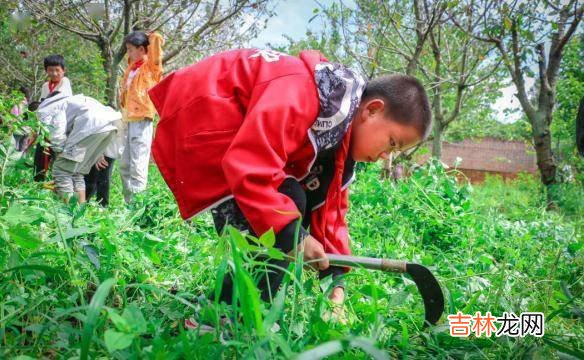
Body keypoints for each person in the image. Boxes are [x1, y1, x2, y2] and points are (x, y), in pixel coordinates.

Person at [149, 49, 431, 319]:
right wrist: (295, 238)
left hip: (233, 135)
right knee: (285, 203)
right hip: (204, 113)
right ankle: (226, 316)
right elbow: (251, 165)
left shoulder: (338, 137)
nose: (386, 156)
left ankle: (235, 305)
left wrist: (336, 287)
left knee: (294, 203)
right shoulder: (305, 93)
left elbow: (329, 214)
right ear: (372, 110)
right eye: (392, 143)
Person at [35, 92, 120, 203]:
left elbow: (57, 131)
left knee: (62, 170)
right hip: (109, 127)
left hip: (90, 128)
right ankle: (79, 212)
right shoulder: (71, 101)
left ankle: (68, 213)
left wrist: (60, 152)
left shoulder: (47, 109)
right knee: (77, 173)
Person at [119, 31, 164, 203]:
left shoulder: (151, 68)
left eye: (131, 49)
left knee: (137, 165)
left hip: (142, 119)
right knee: (125, 165)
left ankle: (138, 207)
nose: (128, 54)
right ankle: (128, 203)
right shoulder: (131, 67)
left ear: (141, 49)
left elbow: (156, 47)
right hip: (129, 119)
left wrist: (151, 36)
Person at [34, 54, 73, 181]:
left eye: (57, 70)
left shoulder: (65, 82)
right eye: (50, 70)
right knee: (41, 158)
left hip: (60, 127)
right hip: (45, 127)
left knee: (58, 157)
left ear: (63, 70)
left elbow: (55, 103)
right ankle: (39, 184)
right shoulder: (45, 86)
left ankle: (59, 184)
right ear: (46, 71)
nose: (54, 73)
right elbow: (41, 106)